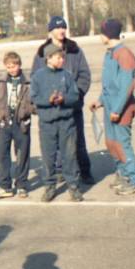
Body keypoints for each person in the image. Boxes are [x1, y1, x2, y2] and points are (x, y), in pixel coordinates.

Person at [31, 16, 94, 184]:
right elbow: (35, 79)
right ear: (50, 31)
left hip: (72, 106)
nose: (62, 30)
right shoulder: (41, 53)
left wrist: (75, 95)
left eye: (64, 27)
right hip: (50, 109)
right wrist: (45, 101)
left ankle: (85, 171)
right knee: (54, 145)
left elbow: (84, 75)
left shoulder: (74, 50)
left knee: (78, 142)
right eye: (58, 28)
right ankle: (59, 172)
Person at [90, 19, 135, 195]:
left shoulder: (124, 54)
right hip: (109, 107)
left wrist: (117, 110)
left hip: (121, 109)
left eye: (101, 33)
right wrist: (100, 101)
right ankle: (123, 174)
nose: (100, 36)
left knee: (122, 144)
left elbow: (127, 85)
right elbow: (110, 85)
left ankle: (134, 181)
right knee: (112, 143)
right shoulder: (110, 53)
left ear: (108, 34)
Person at [30, 44, 84, 202]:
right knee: (48, 157)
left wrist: (64, 99)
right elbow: (34, 97)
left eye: (63, 57)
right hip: (47, 124)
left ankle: (73, 187)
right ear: (49, 58)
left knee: (70, 156)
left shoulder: (67, 75)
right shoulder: (38, 76)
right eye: (58, 58)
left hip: (67, 123)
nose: (62, 60)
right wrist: (48, 100)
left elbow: (75, 96)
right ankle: (49, 187)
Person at [0, 52, 33, 199]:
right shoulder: (0, 82)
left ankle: (21, 185)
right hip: (5, 122)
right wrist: (1, 111)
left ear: (19, 65)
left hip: (22, 123)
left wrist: (26, 111)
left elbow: (35, 101)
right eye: (8, 67)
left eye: (14, 66)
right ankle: (5, 186)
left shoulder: (28, 82)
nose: (12, 69)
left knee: (22, 155)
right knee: (1, 154)